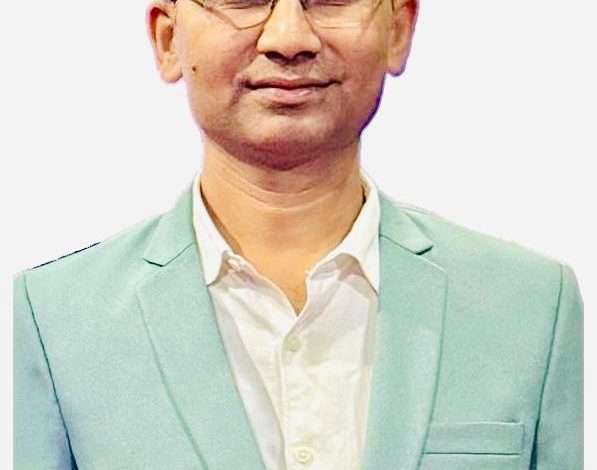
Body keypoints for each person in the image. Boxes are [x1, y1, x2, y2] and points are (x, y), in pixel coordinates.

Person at [13, 0, 583, 468]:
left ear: (399, 29)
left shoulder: (533, 307)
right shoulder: (52, 322)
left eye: (331, 0)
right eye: (244, 0)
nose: (289, 38)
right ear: (168, 38)